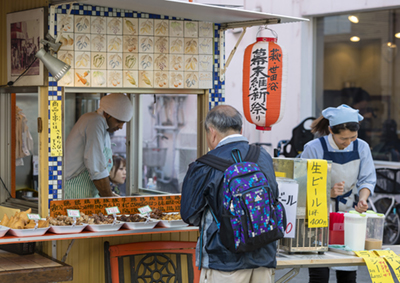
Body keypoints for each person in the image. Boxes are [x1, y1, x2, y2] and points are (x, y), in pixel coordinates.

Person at [180, 105, 279, 283]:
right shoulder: (263, 156)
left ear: (212, 132)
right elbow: (274, 197)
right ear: (241, 129)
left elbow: (189, 215)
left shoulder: (203, 166)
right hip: (264, 257)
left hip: (224, 261)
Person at [301, 104, 376, 283]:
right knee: (319, 274)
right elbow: (302, 183)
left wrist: (363, 199)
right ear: (331, 131)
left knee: (348, 271)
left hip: (348, 214)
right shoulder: (313, 148)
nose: (348, 142)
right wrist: (328, 192)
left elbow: (367, 179)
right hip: (319, 214)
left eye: (353, 137)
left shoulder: (362, 147)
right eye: (344, 139)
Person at [65, 93, 133, 199]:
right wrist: (109, 198)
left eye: (123, 123)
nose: (120, 127)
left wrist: (110, 195)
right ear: (107, 114)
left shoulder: (102, 126)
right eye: (118, 121)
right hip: (74, 193)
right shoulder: (95, 122)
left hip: (87, 194)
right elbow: (97, 168)